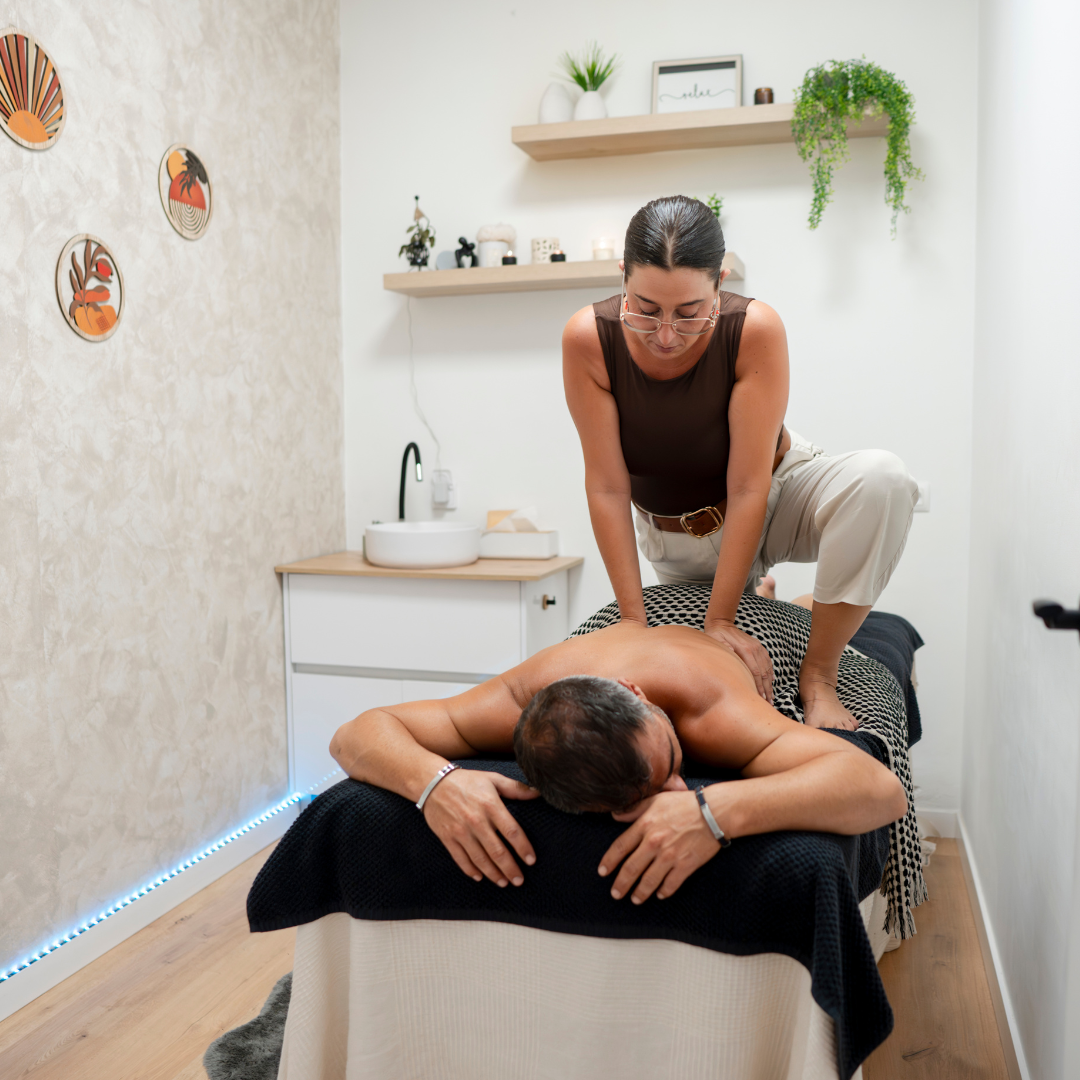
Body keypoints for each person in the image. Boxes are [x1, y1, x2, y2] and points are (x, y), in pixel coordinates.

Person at [562, 196, 918, 731]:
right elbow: (608, 488)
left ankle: (819, 676)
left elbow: (750, 485)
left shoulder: (754, 327)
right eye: (646, 309)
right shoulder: (588, 338)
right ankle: (764, 592)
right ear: (623, 276)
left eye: (689, 313)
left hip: (777, 491)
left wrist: (723, 619)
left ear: (720, 283)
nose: (666, 335)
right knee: (708, 648)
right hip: (681, 534)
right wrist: (632, 623)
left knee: (883, 479)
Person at [329, 620, 907, 908]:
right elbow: (354, 734)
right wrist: (435, 784)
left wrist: (714, 811)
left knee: (792, 612)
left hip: (725, 634)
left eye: (672, 760)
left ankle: (776, 593)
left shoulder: (711, 711)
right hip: (614, 624)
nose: (679, 786)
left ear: (638, 695)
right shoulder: (517, 700)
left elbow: (878, 788)